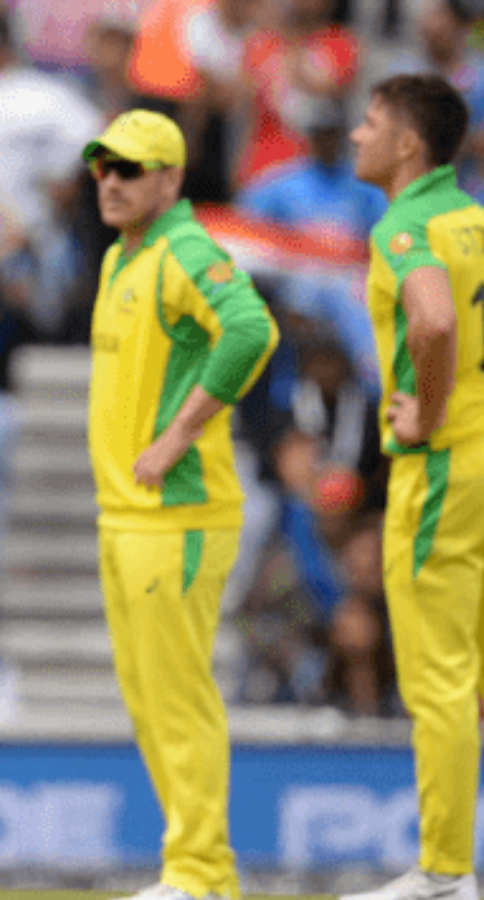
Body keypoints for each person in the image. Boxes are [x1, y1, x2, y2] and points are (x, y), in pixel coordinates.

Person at [82, 109, 278, 900]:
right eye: (103, 167)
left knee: (180, 699)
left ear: (170, 178)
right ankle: (193, 869)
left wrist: (176, 437)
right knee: (150, 702)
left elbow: (250, 329)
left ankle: (200, 873)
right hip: (125, 515)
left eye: (130, 169)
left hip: (177, 513)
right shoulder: (125, 256)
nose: (111, 181)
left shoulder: (187, 251)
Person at [340, 74, 484, 900]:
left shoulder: (407, 223)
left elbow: (432, 320)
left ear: (407, 146)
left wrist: (425, 418)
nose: (358, 136)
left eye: (369, 122)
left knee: (438, 675)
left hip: (441, 467)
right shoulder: (473, 217)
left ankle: (442, 873)